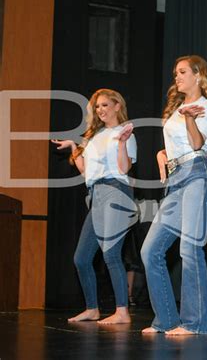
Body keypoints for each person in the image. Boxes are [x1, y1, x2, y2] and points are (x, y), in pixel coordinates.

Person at [141, 55, 207, 335]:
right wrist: (162, 153)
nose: (177, 77)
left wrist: (190, 119)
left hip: (199, 173)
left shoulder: (206, 107)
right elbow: (174, 145)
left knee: (190, 248)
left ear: (199, 76)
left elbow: (198, 143)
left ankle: (196, 323)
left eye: (183, 72)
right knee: (150, 250)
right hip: (176, 179)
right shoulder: (177, 109)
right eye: (176, 72)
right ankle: (165, 319)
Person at [52, 88, 137, 324]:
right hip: (96, 193)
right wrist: (74, 148)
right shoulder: (94, 137)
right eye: (97, 107)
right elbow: (85, 172)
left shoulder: (124, 132)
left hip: (116, 191)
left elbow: (123, 169)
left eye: (105, 105)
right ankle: (92, 308)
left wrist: (121, 143)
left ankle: (122, 311)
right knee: (81, 258)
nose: (100, 110)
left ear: (117, 106)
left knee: (111, 254)